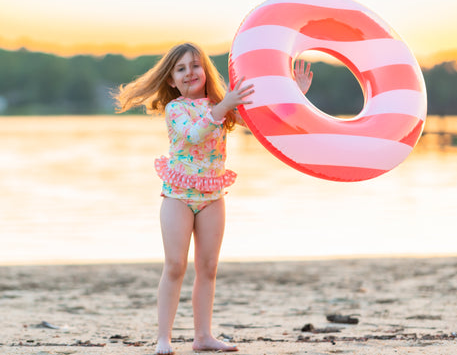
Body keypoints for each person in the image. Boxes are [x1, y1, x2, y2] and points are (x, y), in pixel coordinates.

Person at [116, 42, 312, 354]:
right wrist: (223, 107)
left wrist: (296, 95)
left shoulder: (223, 105)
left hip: (212, 195)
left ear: (206, 71)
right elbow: (194, 134)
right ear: (170, 80)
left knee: (208, 267)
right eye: (180, 69)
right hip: (178, 196)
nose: (189, 72)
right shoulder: (175, 109)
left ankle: (203, 336)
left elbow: (269, 124)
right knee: (175, 265)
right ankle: (164, 338)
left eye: (195, 65)